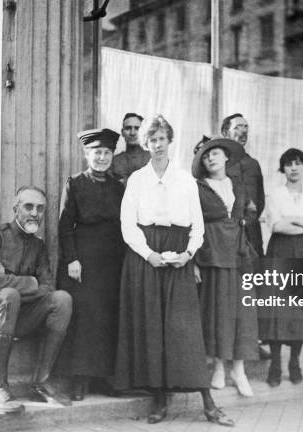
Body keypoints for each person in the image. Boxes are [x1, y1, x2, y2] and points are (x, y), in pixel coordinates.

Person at [115, 115, 234, 427]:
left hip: (179, 254)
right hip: (146, 256)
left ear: (170, 141)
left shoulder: (184, 180)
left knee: (185, 332)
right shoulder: (137, 180)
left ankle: (209, 404)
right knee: (153, 328)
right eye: (151, 140)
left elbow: (197, 224)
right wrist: (149, 254)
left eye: (162, 139)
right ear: (145, 144)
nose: (157, 145)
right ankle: (160, 400)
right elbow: (128, 225)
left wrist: (188, 254)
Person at [0, 186, 73, 413]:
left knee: (62, 299)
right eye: (28, 206)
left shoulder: (38, 246)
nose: (34, 213)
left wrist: (16, 281)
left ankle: (42, 380)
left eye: (40, 208)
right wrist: (32, 282)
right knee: (8, 295)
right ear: (15, 208)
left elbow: (49, 287)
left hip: (14, 318)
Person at [54, 128, 125, 401]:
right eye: (97, 153)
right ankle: (79, 380)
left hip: (112, 260)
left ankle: (103, 378)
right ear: (87, 154)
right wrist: (72, 258)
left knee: (108, 316)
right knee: (84, 319)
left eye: (107, 153)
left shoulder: (119, 185)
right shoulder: (74, 183)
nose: (102, 158)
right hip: (83, 261)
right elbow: (64, 225)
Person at [191, 137, 258, 397]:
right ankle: (219, 367)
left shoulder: (238, 184)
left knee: (241, 312)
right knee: (217, 311)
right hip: (212, 253)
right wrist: (195, 260)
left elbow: (251, 210)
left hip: (239, 253)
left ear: (226, 157)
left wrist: (240, 222)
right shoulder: (197, 187)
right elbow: (192, 223)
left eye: (215, 153)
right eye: (206, 156)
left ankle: (238, 371)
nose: (211, 159)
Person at [259, 148, 303, 387]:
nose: (294, 168)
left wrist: (295, 220)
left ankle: (294, 363)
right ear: (283, 169)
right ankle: (275, 364)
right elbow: (276, 226)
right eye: (288, 164)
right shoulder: (275, 195)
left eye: (298, 163)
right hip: (280, 251)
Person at [221, 114, 265, 259]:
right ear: (226, 133)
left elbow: (260, 200)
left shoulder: (253, 164)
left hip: (252, 234)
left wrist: (249, 220)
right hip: (227, 234)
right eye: (238, 127)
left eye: (246, 127)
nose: (243, 131)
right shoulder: (218, 164)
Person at [111, 113, 150, 185]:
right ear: (122, 132)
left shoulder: (151, 159)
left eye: (137, 128)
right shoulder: (114, 161)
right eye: (128, 128)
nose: (132, 133)